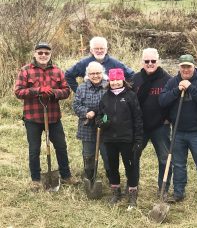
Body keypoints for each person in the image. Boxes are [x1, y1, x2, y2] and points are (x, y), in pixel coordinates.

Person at [14, 42, 79, 191]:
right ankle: (36, 179)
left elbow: (66, 91)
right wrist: (37, 91)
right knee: (34, 149)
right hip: (33, 117)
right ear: (35, 54)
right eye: (40, 52)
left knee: (61, 147)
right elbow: (18, 92)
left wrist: (54, 93)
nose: (43, 55)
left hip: (53, 117)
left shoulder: (57, 71)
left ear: (50, 54)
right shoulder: (25, 71)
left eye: (46, 53)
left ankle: (66, 175)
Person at [159, 54, 197, 207]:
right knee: (178, 164)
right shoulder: (172, 81)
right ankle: (178, 192)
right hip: (178, 131)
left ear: (193, 67)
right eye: (183, 66)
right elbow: (162, 101)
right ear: (179, 67)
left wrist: (191, 88)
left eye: (188, 67)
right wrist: (177, 90)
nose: (185, 69)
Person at [98, 68, 143, 207]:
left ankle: (132, 193)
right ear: (109, 81)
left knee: (130, 166)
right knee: (112, 167)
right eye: (112, 80)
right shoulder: (105, 97)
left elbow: (138, 118)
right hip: (110, 139)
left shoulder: (130, 96)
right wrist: (102, 122)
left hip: (126, 139)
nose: (115, 82)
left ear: (123, 80)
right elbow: (99, 117)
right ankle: (116, 192)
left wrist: (138, 139)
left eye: (118, 80)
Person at [132, 48, 172, 197]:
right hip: (140, 126)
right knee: (133, 155)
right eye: (147, 61)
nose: (150, 64)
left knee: (164, 158)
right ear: (142, 62)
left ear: (158, 61)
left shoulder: (168, 79)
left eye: (153, 61)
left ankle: (163, 189)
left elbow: (173, 101)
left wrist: (169, 118)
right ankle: (133, 186)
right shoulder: (135, 79)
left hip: (160, 126)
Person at [72, 61, 110, 183]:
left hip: (105, 127)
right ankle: (90, 178)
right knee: (88, 155)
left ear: (102, 73)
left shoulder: (108, 86)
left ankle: (112, 180)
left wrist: (103, 116)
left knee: (108, 155)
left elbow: (113, 105)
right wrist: (86, 112)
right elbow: (76, 105)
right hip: (87, 127)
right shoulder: (82, 88)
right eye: (92, 73)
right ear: (88, 74)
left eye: (98, 73)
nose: (95, 76)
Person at [65, 36, 134, 92]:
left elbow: (131, 74)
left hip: (111, 101)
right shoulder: (84, 63)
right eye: (96, 49)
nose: (99, 51)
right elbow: (68, 74)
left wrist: (125, 91)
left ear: (106, 49)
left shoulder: (115, 63)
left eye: (102, 48)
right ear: (91, 50)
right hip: (90, 102)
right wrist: (78, 91)